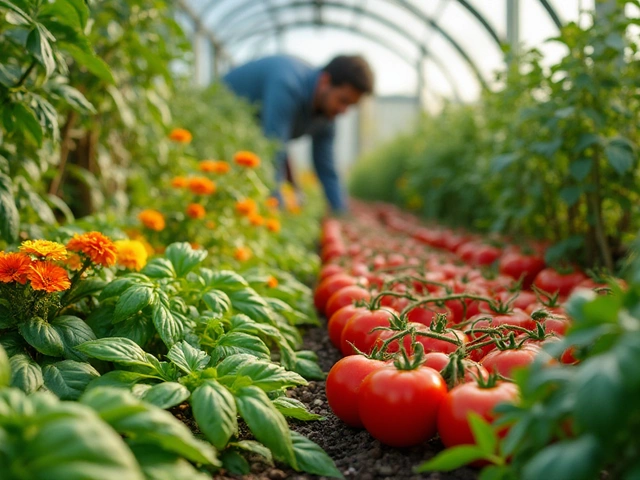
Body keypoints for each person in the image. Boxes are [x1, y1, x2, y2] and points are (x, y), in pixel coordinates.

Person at [222, 54, 374, 213]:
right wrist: (277, 211)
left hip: (246, 137)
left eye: (350, 105)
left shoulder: (327, 116)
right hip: (217, 119)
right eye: (343, 100)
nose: (344, 111)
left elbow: (326, 167)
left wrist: (340, 212)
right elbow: (273, 150)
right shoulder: (287, 85)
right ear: (325, 81)